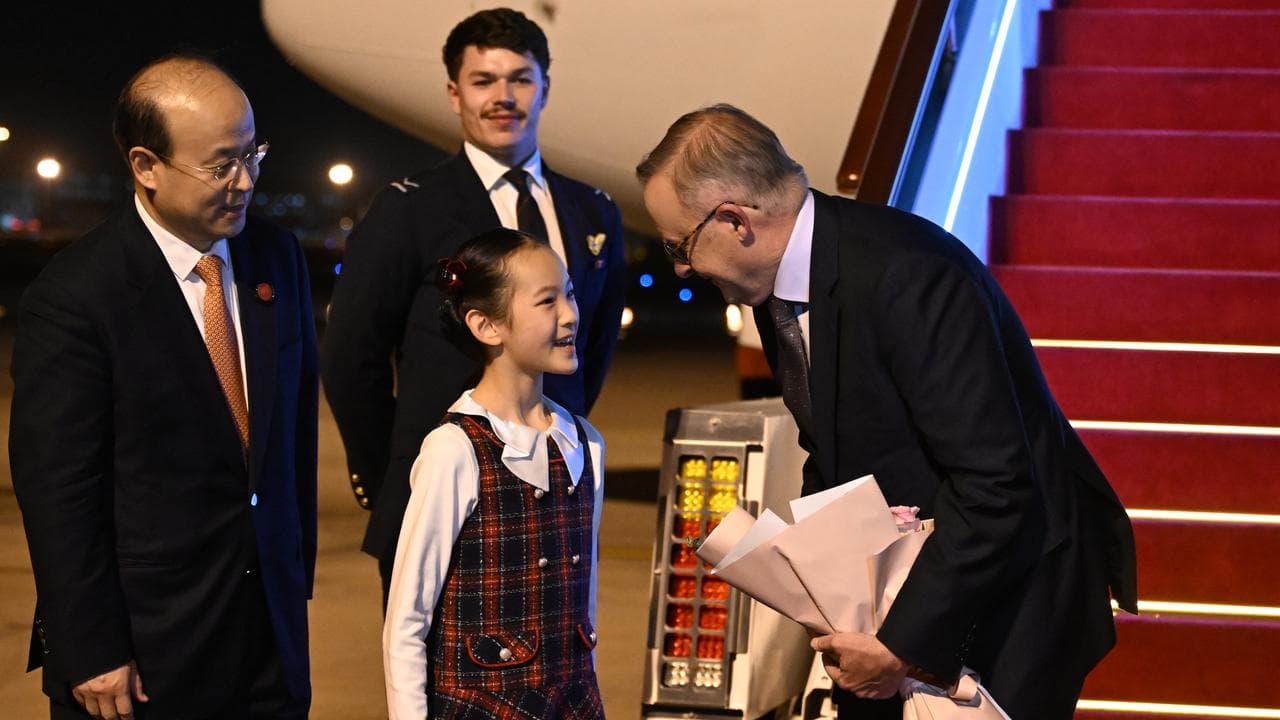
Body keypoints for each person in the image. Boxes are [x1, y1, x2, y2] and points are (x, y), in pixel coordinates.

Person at [635, 104, 1137, 719]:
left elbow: (997, 485)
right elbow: (839, 446)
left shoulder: (907, 275)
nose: (680, 266)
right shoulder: (779, 284)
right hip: (911, 594)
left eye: (678, 245)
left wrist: (899, 645)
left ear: (735, 220)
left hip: (1008, 601)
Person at [9, 55, 317, 720]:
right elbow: (59, 491)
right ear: (146, 166)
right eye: (221, 165)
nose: (246, 181)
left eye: (253, 154)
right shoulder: (76, 296)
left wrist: (295, 572)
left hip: (270, 638)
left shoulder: (276, 256)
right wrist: (90, 646)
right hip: (143, 657)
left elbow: (291, 435)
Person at [321, 6, 626, 605]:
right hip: (439, 502)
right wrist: (396, 474)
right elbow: (350, 356)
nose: (503, 97)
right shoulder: (408, 209)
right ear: (454, 93)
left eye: (520, 79)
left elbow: (591, 349)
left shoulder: (594, 211)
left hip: (553, 503)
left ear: (545, 88)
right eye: (483, 80)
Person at [382, 228, 606, 719]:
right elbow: (407, 621)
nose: (570, 314)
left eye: (569, 294)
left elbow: (583, 608)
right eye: (547, 301)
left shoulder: (585, 442)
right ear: (485, 325)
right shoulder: (455, 449)